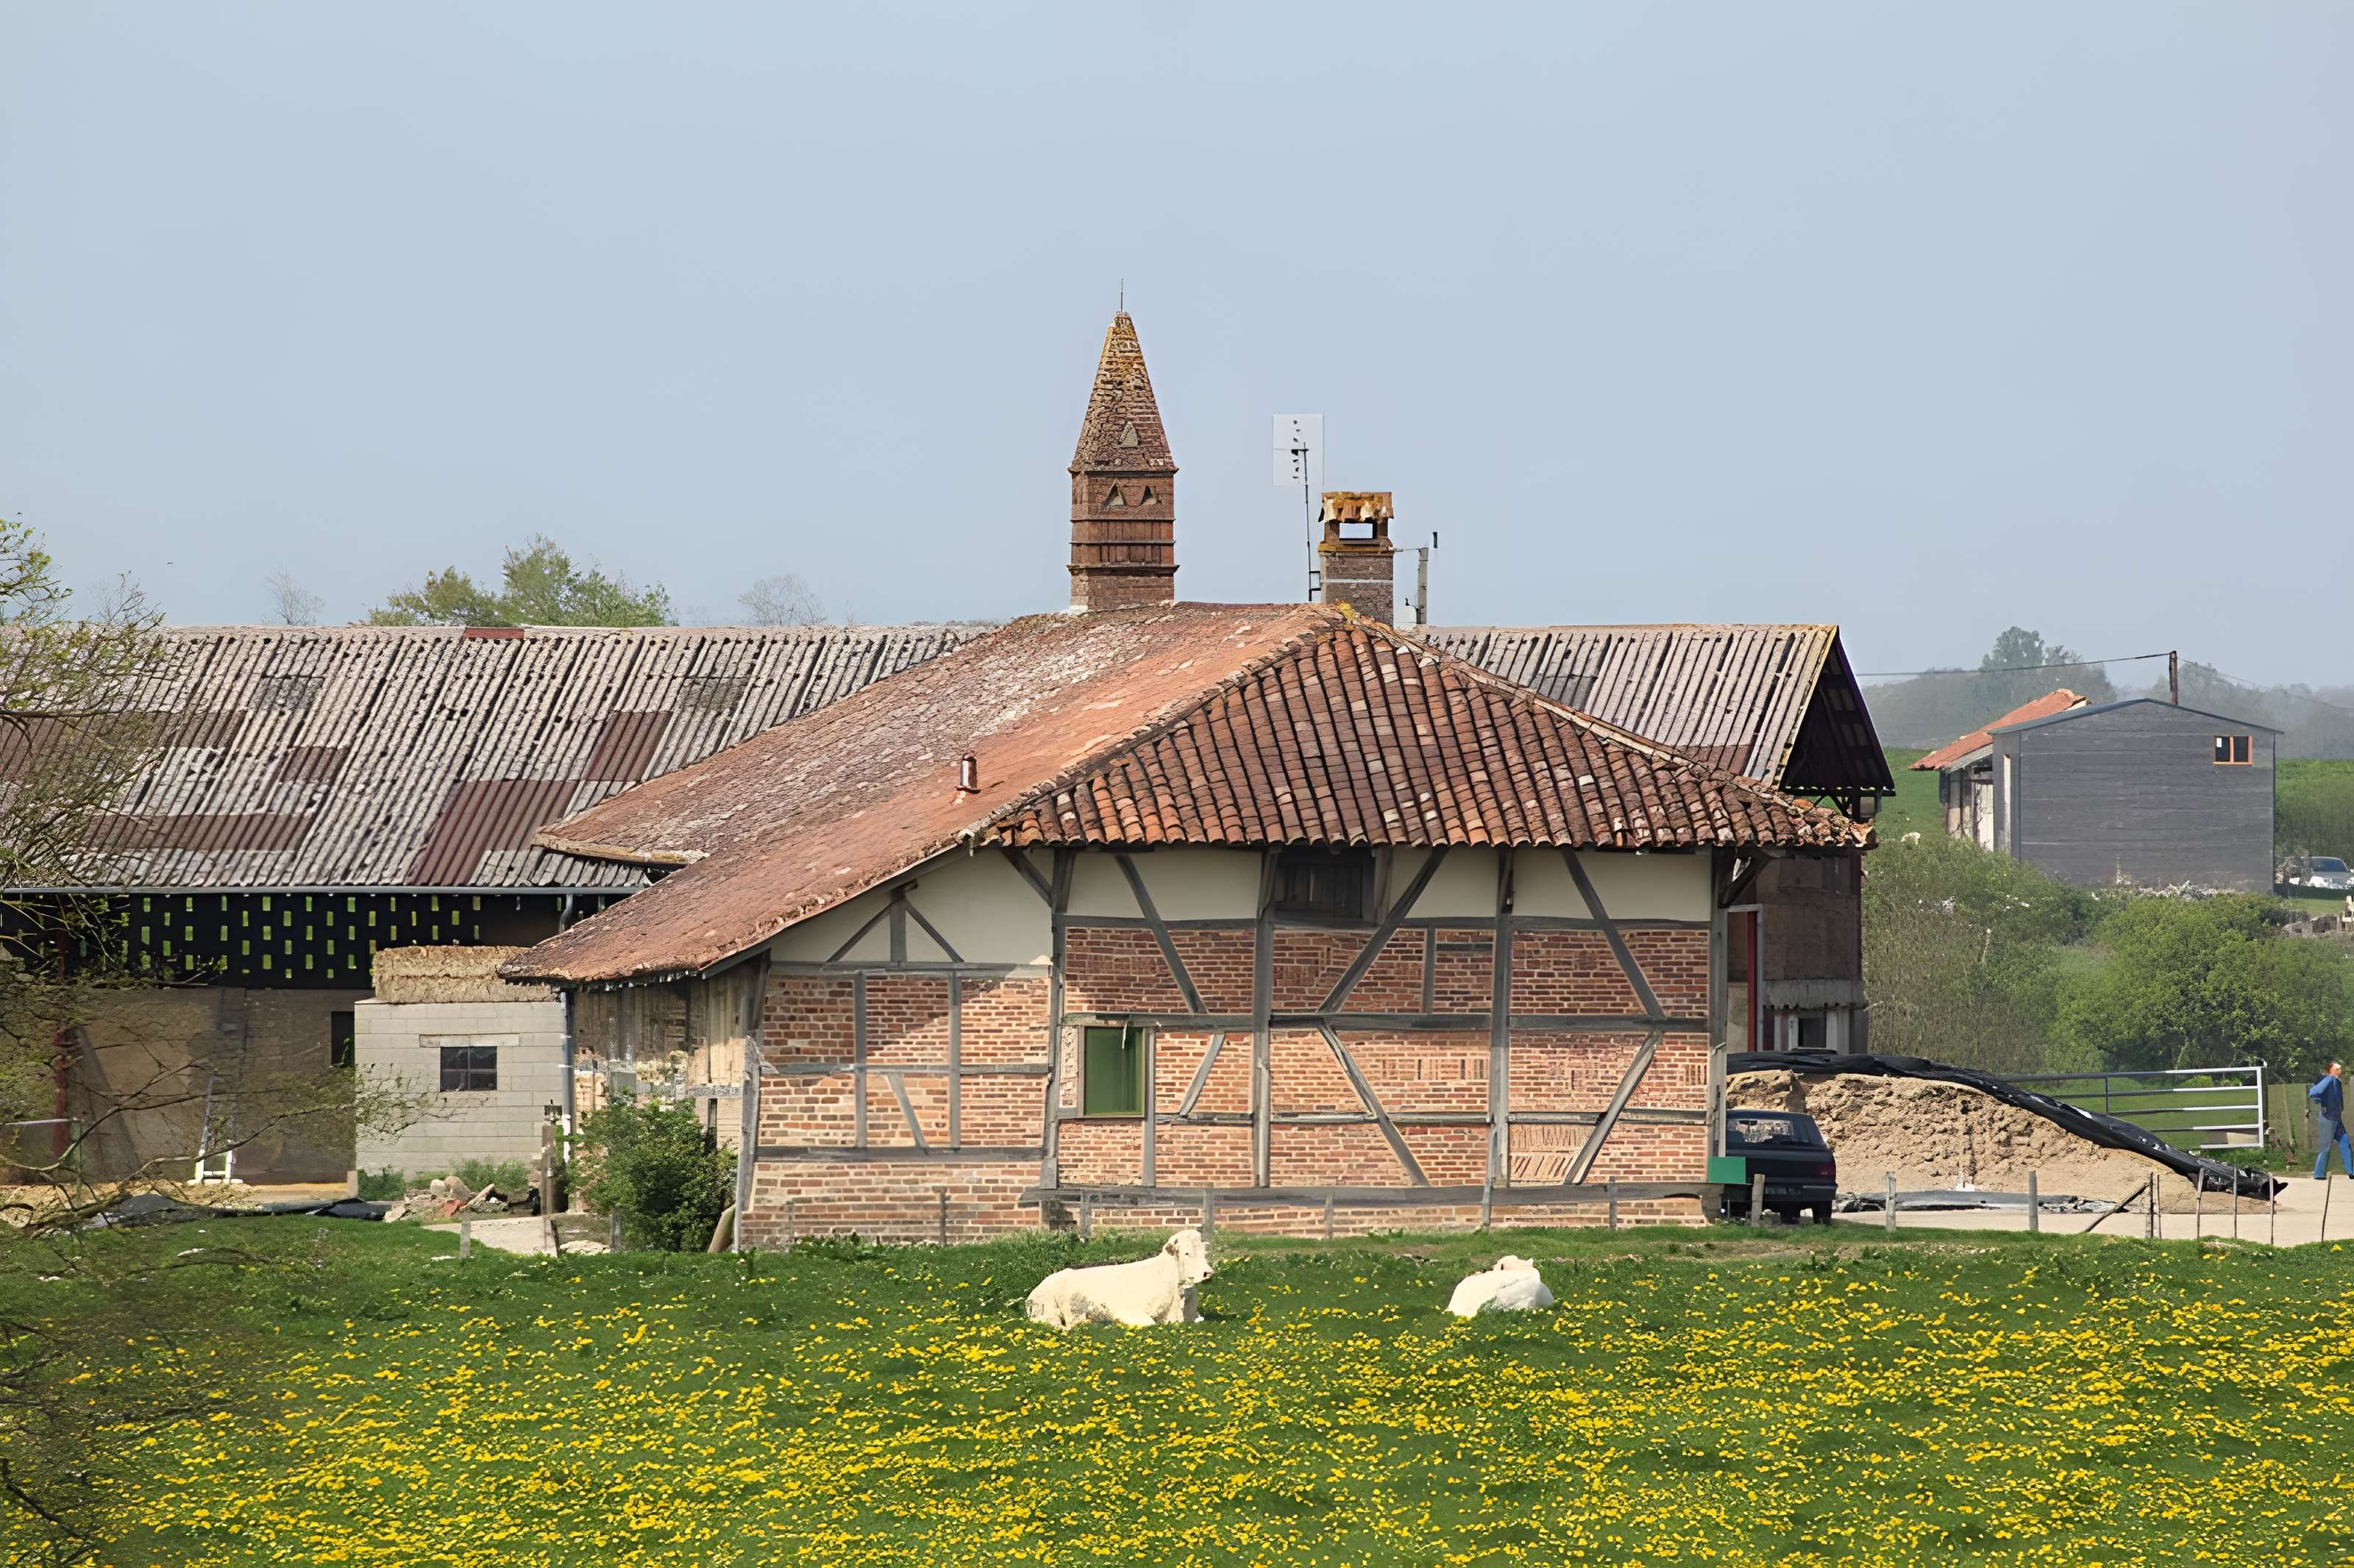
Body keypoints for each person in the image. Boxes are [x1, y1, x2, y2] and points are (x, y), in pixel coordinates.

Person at [2311, 1062, 2353, 1180]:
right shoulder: (2327, 1079)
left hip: (2337, 1118)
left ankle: (2352, 1171)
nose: (2340, 1070)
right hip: (2328, 1117)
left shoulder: (2337, 1081)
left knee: (2345, 1142)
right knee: (2325, 1147)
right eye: (2337, 1068)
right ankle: (2319, 1173)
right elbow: (2314, 1092)